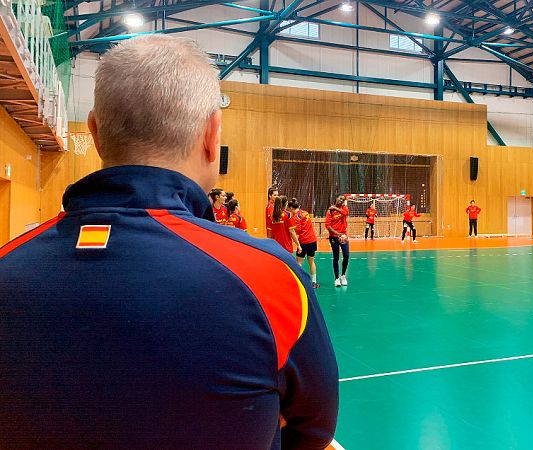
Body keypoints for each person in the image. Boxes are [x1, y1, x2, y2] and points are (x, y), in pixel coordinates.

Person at [0, 35, 338, 449]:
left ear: (95, 132)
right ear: (212, 135)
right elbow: (314, 431)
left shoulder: (7, 265)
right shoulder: (271, 279)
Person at [289, 198, 319, 289]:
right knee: (311, 262)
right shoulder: (305, 213)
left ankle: (300, 282)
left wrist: (290, 231)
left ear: (291, 208)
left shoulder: (295, 217)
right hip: (313, 241)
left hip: (303, 242)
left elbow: (297, 230)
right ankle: (314, 282)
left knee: (299, 263)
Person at [326, 195, 350, 287]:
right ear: (336, 198)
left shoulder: (344, 208)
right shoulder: (330, 211)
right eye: (340, 198)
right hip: (334, 237)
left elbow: (345, 213)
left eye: (343, 200)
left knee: (346, 255)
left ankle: (343, 275)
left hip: (343, 236)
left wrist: (335, 207)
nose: (341, 200)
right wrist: (337, 234)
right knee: (336, 257)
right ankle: (336, 278)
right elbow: (328, 226)